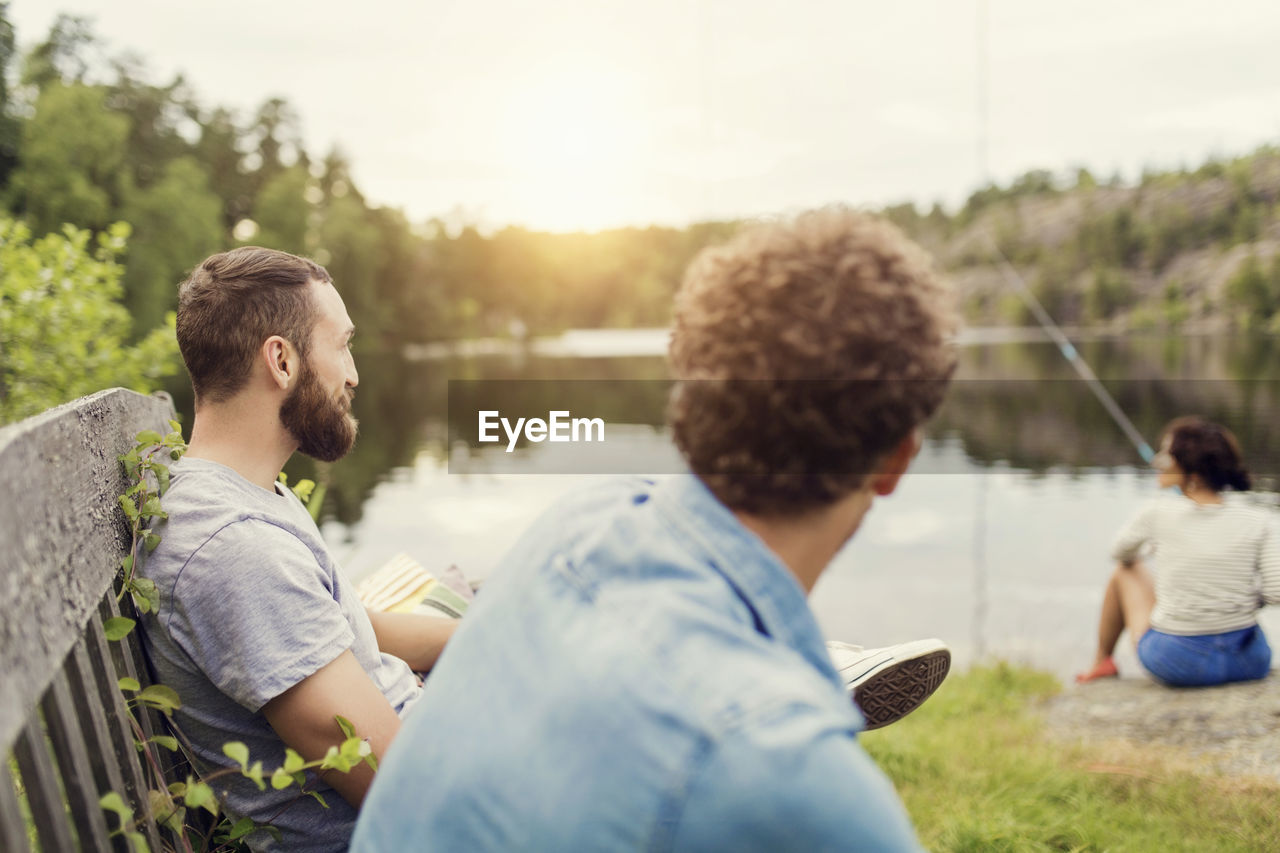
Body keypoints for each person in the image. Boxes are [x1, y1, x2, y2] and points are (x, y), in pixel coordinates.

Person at [351, 207, 959, 852]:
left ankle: (786, 664)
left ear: (687, 397)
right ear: (898, 459)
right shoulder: (817, 790)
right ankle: (796, 668)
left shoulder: (574, 524)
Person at [139, 247, 457, 852]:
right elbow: (411, 799)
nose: (354, 374)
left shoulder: (248, 497)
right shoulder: (235, 551)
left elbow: (342, 626)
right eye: (342, 346)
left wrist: (482, 636)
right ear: (281, 360)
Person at [1076, 416, 1280, 687]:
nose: (1158, 461)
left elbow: (1119, 552)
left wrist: (1153, 547)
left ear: (1192, 475)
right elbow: (1276, 591)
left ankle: (1102, 661)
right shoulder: (1259, 518)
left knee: (1127, 570)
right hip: (1248, 662)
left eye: (1167, 456)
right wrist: (1233, 602)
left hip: (1178, 663)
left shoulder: (1157, 512)